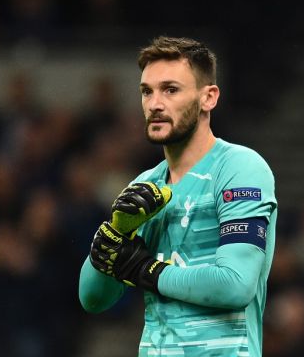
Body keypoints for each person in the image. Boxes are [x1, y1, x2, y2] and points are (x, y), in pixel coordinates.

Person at [79, 36, 277, 356]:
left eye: (170, 90)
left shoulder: (240, 168)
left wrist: (149, 272)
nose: (155, 103)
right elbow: (92, 299)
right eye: (147, 91)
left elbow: (236, 284)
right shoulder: (145, 186)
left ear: (208, 97)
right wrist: (117, 231)